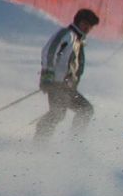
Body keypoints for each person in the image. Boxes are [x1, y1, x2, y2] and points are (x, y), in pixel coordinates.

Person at [35, 8, 100, 141]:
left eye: (90, 26)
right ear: (78, 21)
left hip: (66, 87)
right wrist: (47, 76)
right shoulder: (67, 34)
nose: (88, 27)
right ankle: (41, 142)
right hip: (56, 84)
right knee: (63, 113)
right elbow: (49, 51)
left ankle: (73, 142)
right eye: (85, 23)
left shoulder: (78, 40)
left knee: (82, 111)